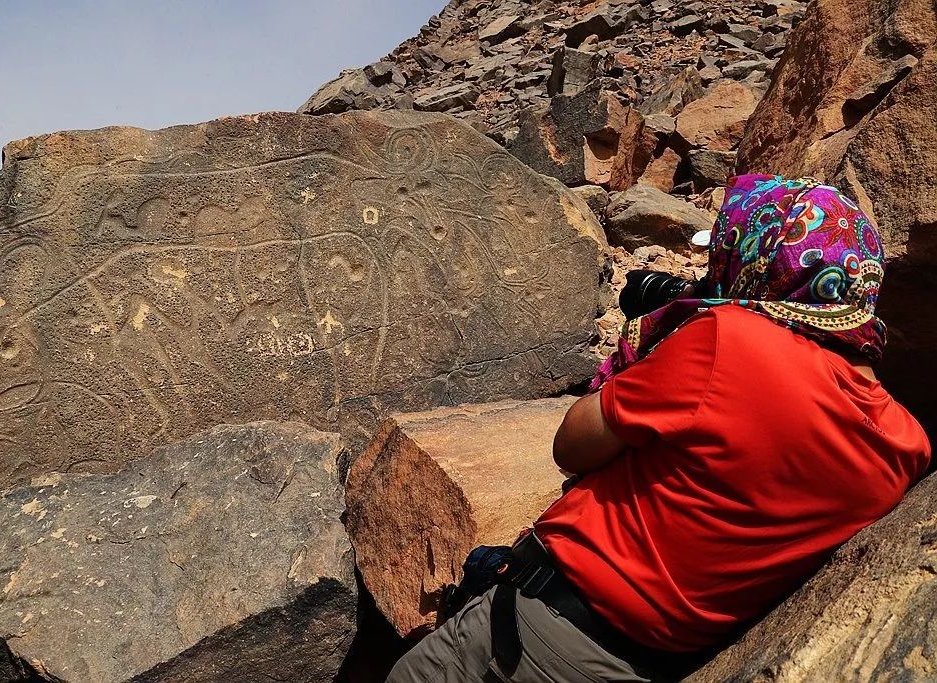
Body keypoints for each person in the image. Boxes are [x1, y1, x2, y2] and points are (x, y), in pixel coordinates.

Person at [387, 174, 932, 682]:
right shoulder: (906, 448)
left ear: (765, 258)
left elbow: (572, 444)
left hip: (531, 636)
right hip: (648, 666)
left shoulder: (731, 341)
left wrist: (657, 344)